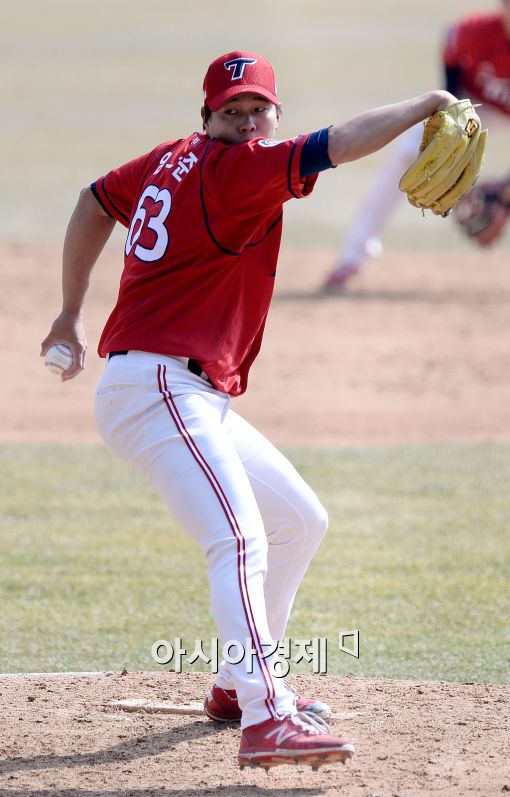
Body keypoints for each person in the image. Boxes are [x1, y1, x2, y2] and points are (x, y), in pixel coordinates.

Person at [41, 50, 459, 771]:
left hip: (180, 391)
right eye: (230, 111)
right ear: (207, 117)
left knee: (299, 518)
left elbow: (91, 200)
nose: (244, 121)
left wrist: (70, 313)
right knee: (239, 540)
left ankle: (238, 686)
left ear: (271, 113)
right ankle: (269, 717)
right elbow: (342, 142)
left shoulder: (169, 159)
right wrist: (426, 103)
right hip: (161, 388)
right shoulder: (242, 168)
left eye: (255, 109)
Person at [323, 0, 510, 292]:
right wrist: (451, 126)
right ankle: (353, 256)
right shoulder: (474, 33)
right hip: (477, 102)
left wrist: (505, 192)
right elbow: (451, 54)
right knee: (414, 139)